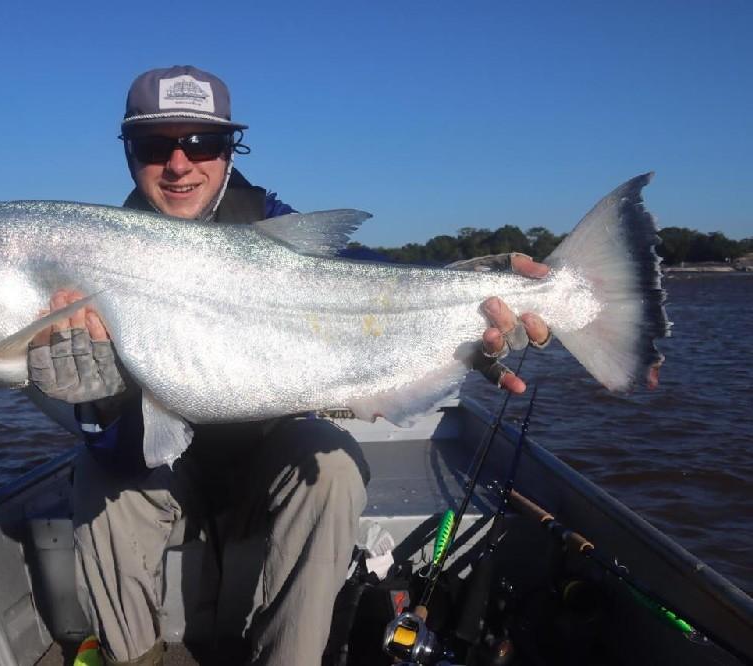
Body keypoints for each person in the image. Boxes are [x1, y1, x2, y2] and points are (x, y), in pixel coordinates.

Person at [27, 65, 551, 665]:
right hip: (164, 465)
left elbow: (368, 278)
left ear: (230, 151)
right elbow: (113, 443)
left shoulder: (274, 224)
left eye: (202, 141)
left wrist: (473, 297)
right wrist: (101, 400)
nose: (179, 163)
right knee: (98, 478)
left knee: (336, 468)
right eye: (154, 145)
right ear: (128, 153)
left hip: (266, 451)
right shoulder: (90, 249)